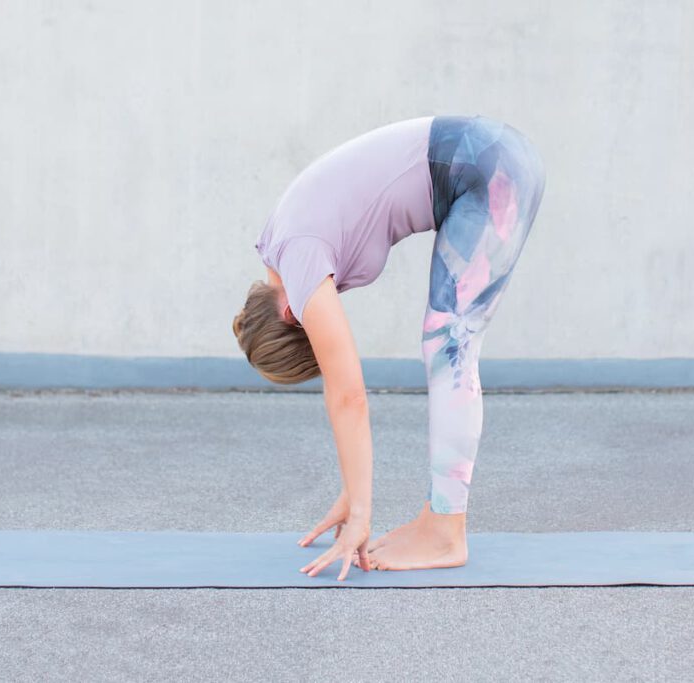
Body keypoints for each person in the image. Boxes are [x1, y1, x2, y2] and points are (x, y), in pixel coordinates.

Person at [233, 114, 546, 580]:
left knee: (450, 342)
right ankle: (437, 522)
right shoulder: (281, 242)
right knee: (447, 339)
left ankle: (445, 532)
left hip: (485, 166)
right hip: (486, 158)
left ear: (291, 318)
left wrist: (362, 514)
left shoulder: (298, 257)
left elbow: (347, 394)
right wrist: (350, 493)